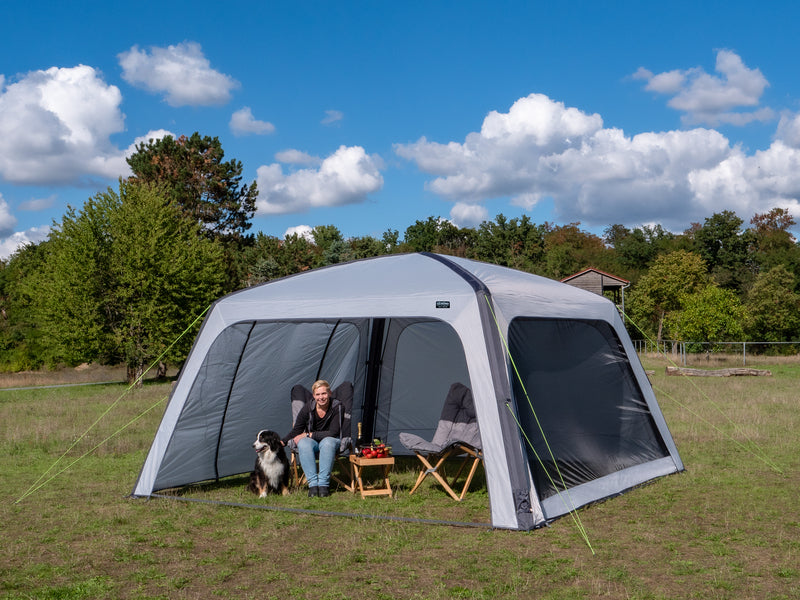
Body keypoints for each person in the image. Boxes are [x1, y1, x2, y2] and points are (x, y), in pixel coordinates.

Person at [282, 379, 342, 497]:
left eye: (324, 393)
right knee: (303, 443)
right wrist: (282, 441)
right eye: (318, 394)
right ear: (313, 396)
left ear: (329, 393)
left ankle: (324, 485)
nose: (321, 397)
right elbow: (297, 430)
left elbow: (334, 432)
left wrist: (309, 434)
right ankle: (313, 485)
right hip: (313, 443)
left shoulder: (337, 406)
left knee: (327, 442)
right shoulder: (308, 408)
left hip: (332, 440)